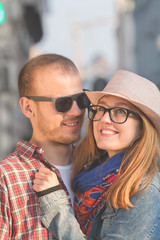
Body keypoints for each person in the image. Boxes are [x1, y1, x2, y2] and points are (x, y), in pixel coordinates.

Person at [33, 70, 160, 240]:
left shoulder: (143, 189)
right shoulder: (89, 170)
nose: (104, 119)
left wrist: (56, 205)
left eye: (120, 111)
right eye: (101, 108)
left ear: (143, 128)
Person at [0, 53, 90, 239]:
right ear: (28, 108)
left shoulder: (97, 168)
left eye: (81, 99)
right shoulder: (6, 179)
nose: (76, 111)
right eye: (62, 103)